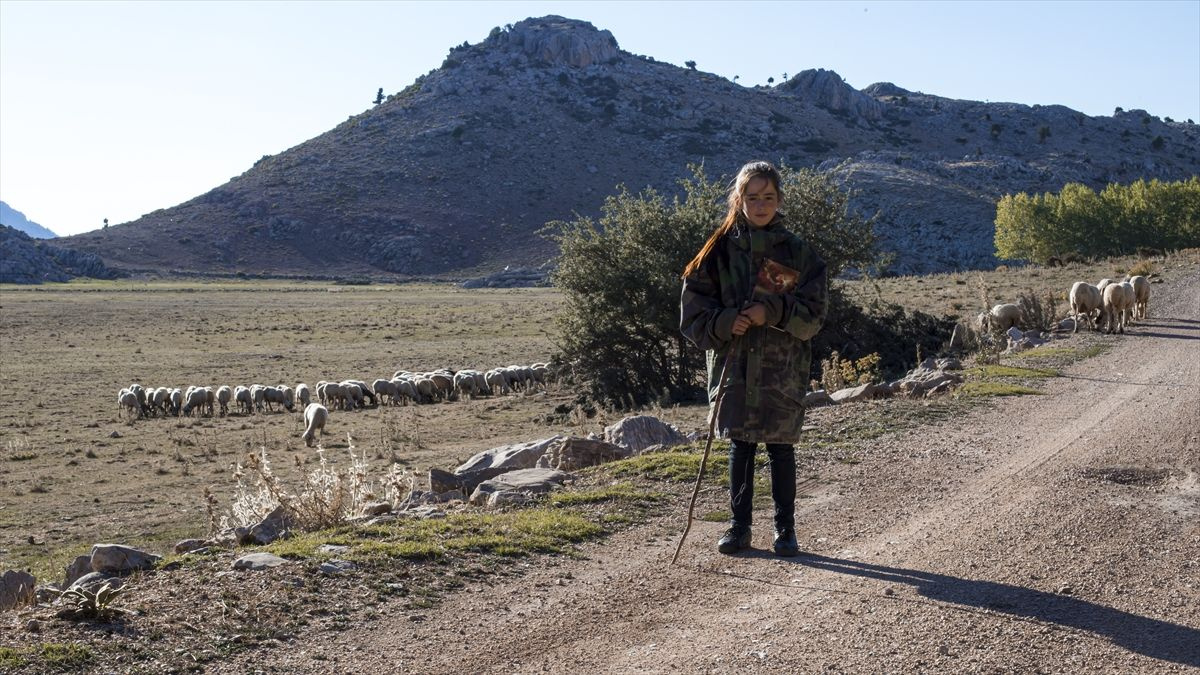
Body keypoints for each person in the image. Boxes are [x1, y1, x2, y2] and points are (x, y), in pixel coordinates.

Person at [679, 160, 828, 556]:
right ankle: (739, 527)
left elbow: (813, 316)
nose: (760, 205)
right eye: (752, 197)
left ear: (779, 200)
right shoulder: (716, 251)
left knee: (781, 447)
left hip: (782, 369)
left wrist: (772, 312)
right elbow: (693, 317)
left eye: (768, 197)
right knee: (740, 446)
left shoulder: (799, 253)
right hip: (736, 368)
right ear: (738, 200)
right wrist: (729, 321)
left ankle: (785, 530)